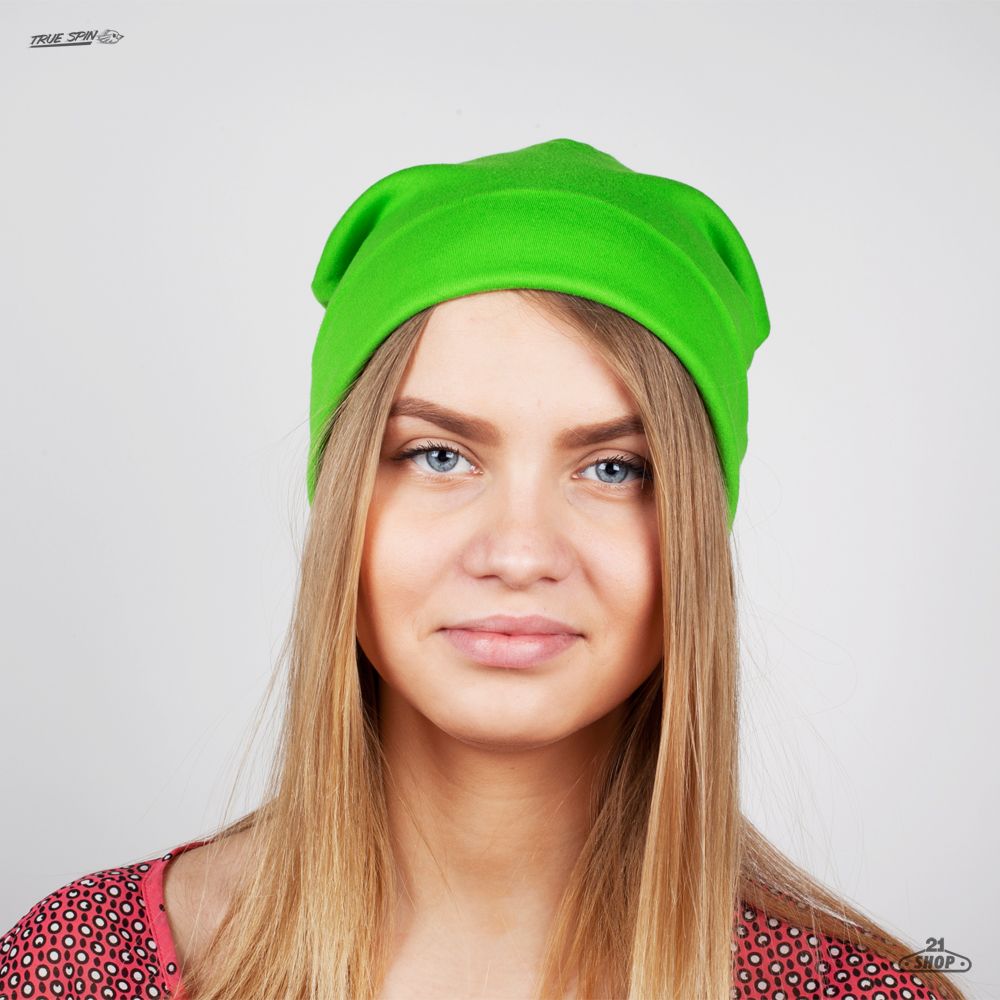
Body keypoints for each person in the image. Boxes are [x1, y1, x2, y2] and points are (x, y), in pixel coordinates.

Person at [0, 139, 967, 1000]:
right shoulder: (80, 966)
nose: (518, 553)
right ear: (343, 511)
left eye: (615, 468)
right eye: (439, 455)